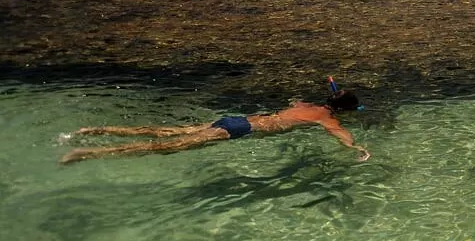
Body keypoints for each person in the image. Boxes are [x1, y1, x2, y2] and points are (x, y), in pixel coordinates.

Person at [60, 83, 370, 164]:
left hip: (235, 119)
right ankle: (87, 153)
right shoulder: (325, 117)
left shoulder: (308, 106)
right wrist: (358, 150)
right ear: (342, 110)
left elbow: (292, 103)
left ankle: (94, 130)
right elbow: (341, 135)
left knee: (162, 131)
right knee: (163, 147)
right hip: (239, 130)